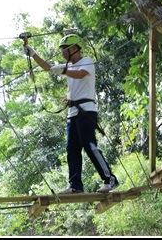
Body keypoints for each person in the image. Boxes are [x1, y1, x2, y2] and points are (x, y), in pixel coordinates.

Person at [23, 34, 120, 194]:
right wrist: (32, 53)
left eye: (65, 49)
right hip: (73, 112)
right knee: (72, 149)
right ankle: (75, 186)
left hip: (86, 110)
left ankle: (110, 179)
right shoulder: (68, 67)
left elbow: (81, 74)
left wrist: (65, 70)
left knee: (89, 145)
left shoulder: (86, 61)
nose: (62, 53)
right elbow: (48, 67)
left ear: (74, 48)